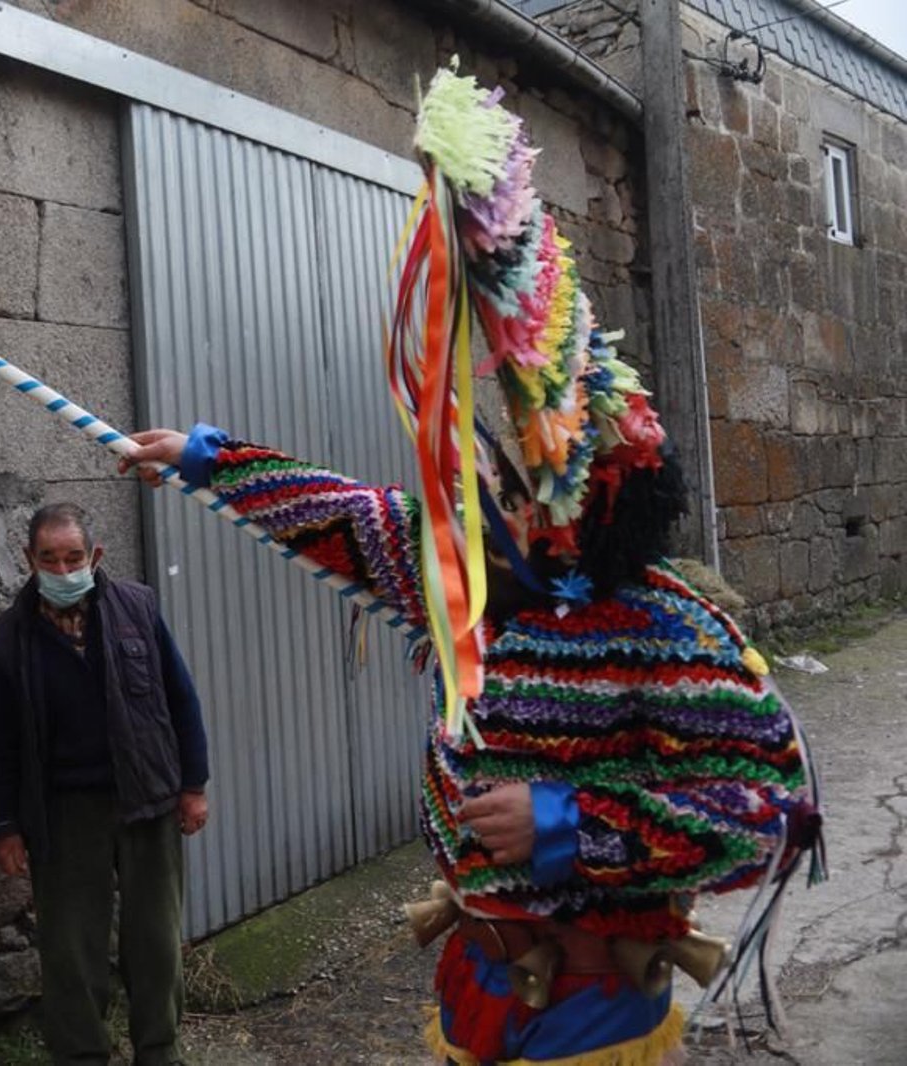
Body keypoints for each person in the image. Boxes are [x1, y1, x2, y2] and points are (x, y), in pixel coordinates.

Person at [117, 66, 820, 1066]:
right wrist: (199, 457)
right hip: (475, 986)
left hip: (589, 1006)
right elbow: (340, 513)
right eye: (501, 473)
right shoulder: (466, 583)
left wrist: (566, 823)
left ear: (597, 499)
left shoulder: (669, 632)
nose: (497, 495)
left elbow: (766, 815)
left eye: (528, 481)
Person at [0, 502, 210, 1065]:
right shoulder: (9, 640)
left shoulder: (138, 608)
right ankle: (82, 1056)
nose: (63, 571)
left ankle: (159, 1051)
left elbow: (180, 697)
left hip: (147, 797)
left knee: (154, 941)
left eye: (73, 557)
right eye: (49, 560)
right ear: (29, 561)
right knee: (70, 950)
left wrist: (193, 784)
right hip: (63, 812)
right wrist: (5, 826)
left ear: (95, 555)